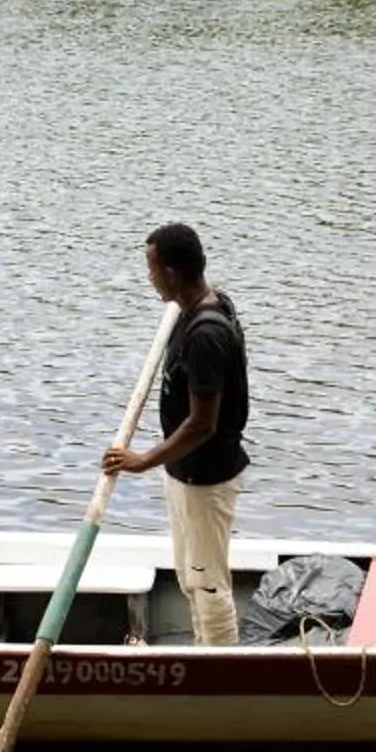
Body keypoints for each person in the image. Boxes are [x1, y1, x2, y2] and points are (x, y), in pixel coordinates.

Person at [103, 224, 250, 647]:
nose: (148, 279)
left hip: (208, 478)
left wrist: (141, 460)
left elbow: (203, 423)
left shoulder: (207, 334)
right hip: (184, 473)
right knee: (189, 575)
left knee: (207, 582)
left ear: (170, 272)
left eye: (151, 269)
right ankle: (203, 657)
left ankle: (220, 677)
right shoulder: (193, 308)